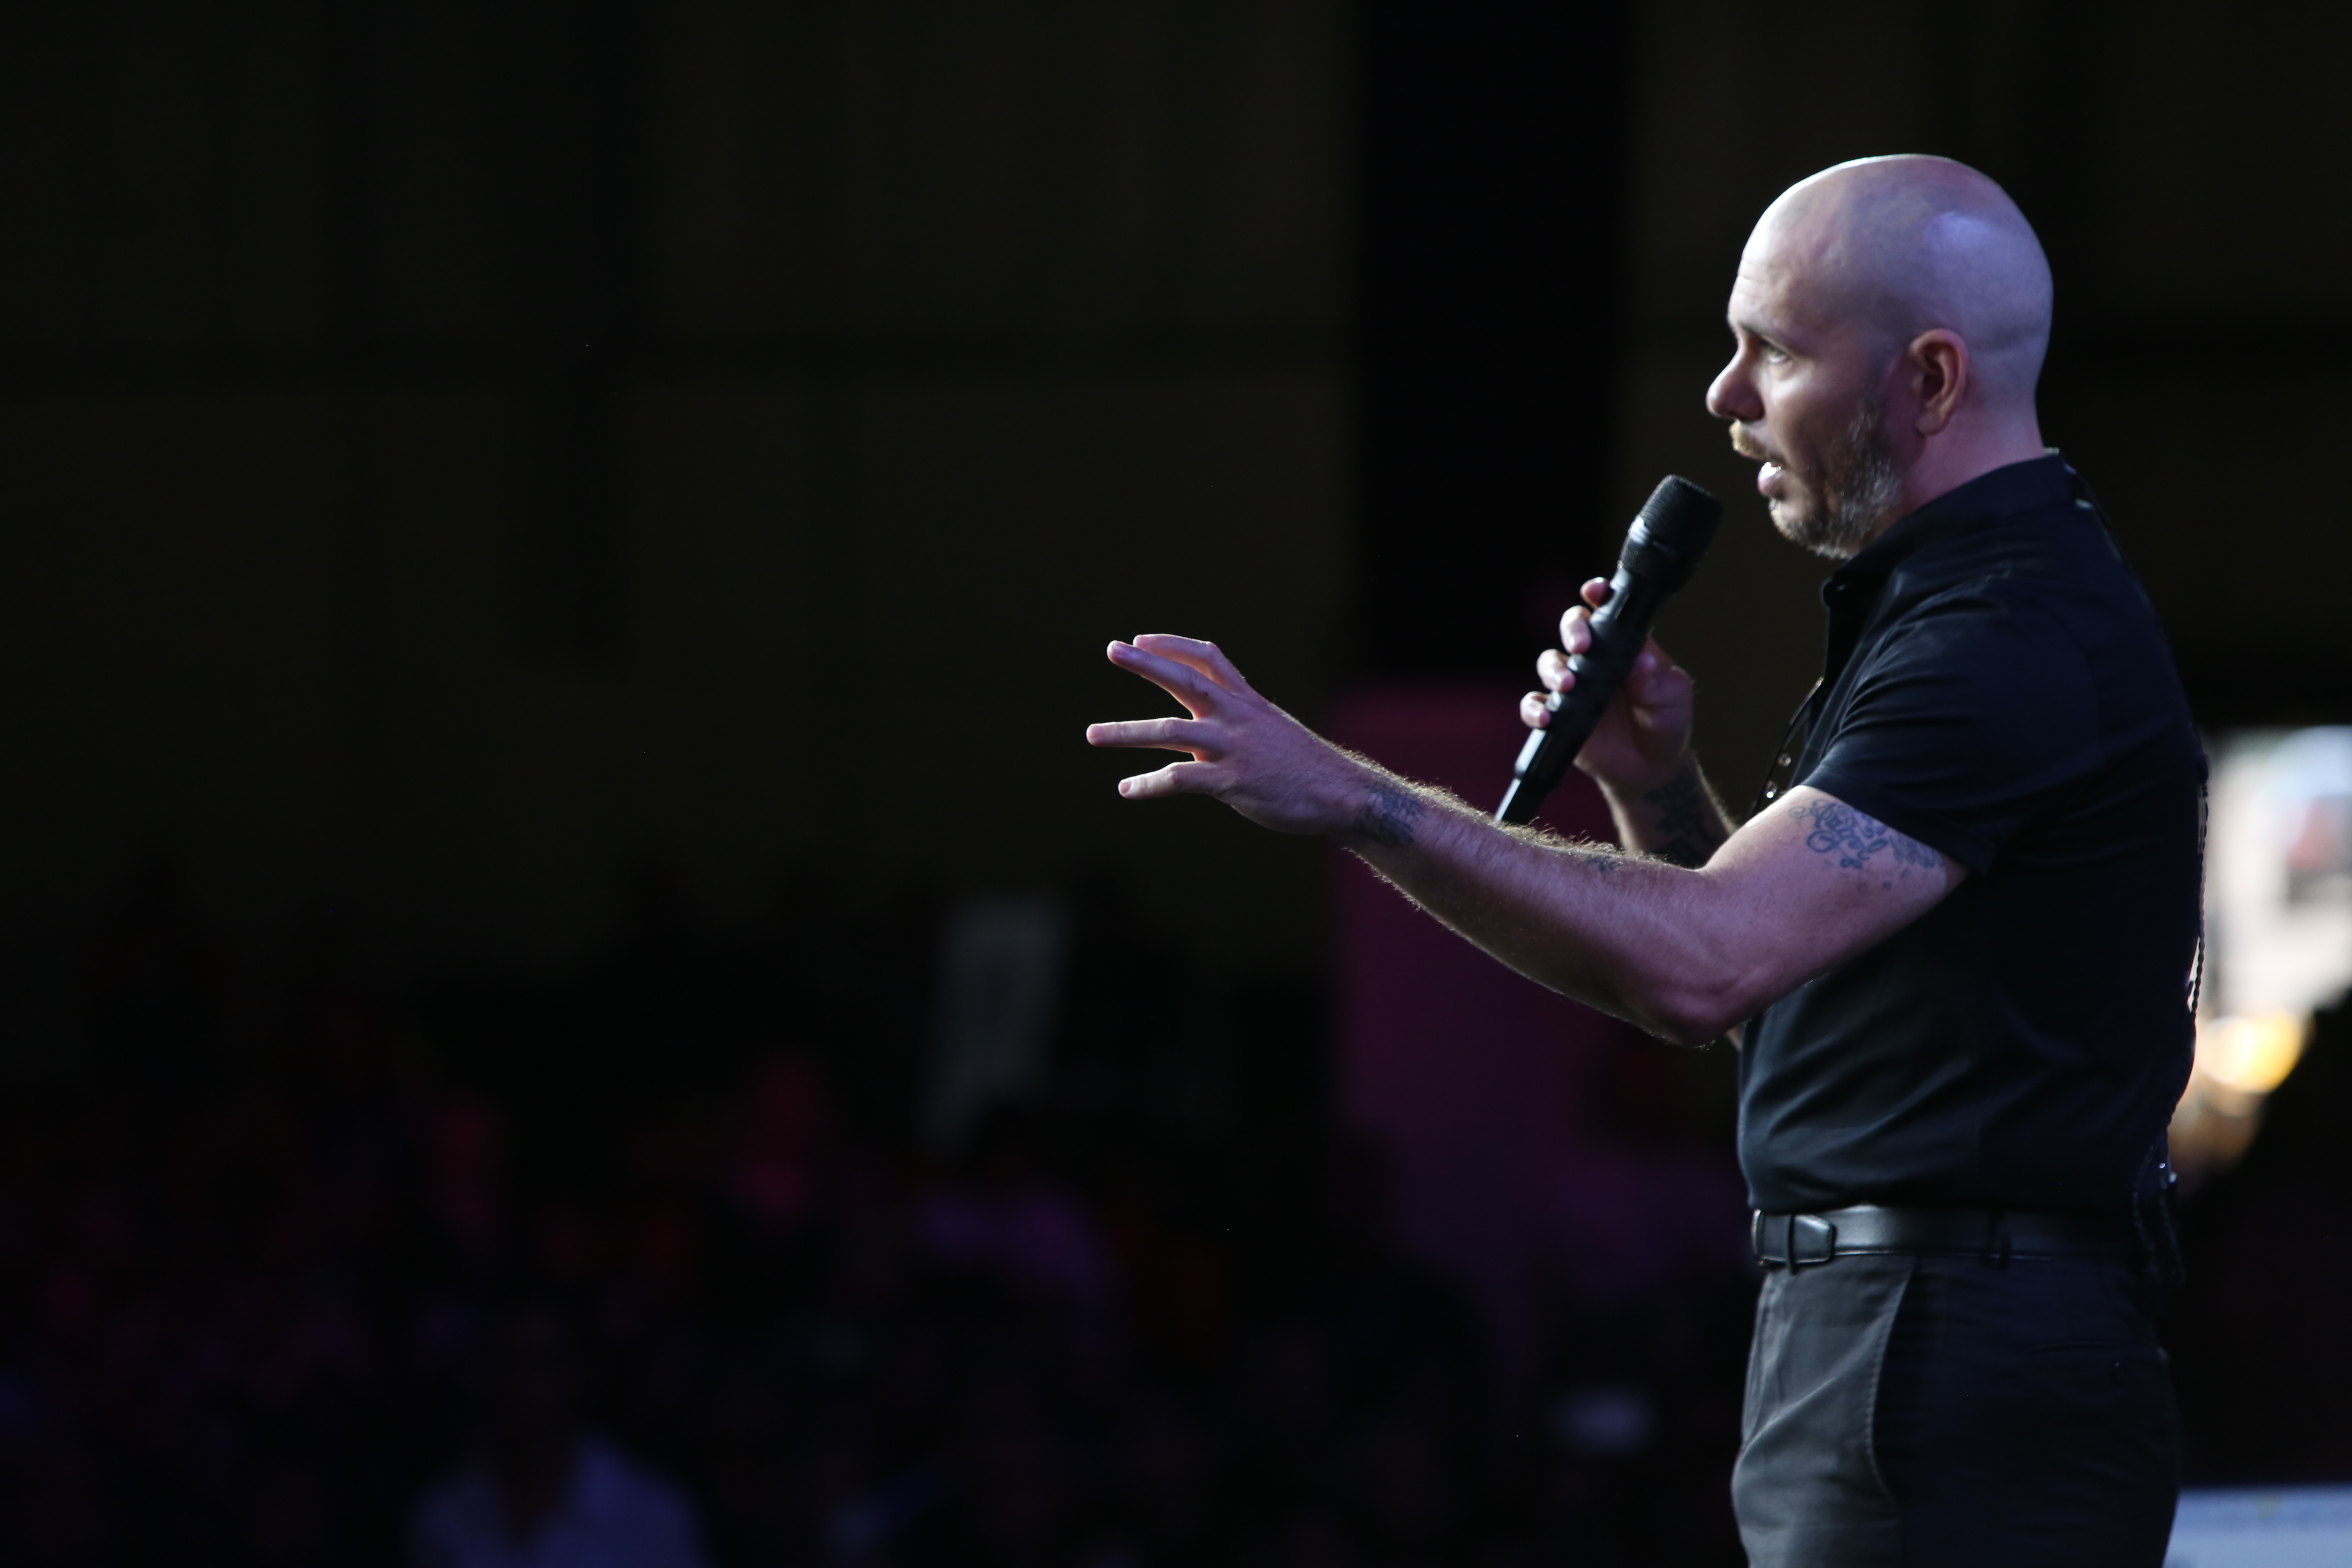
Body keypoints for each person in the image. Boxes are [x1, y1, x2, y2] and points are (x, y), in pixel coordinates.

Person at [1084, 154, 2201, 1566]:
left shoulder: (2003, 639)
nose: (1727, 397)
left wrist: (1348, 794)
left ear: (1929, 379)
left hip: (1951, 1354)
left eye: (1773, 352)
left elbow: (1707, 963)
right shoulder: (1972, 611)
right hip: (1927, 1341)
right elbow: (1783, 998)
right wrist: (1653, 783)